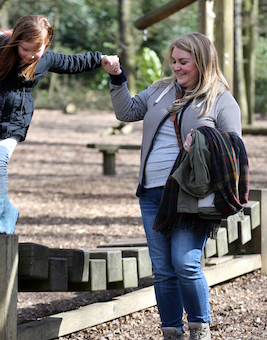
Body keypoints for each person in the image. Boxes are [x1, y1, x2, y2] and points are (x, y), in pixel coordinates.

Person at [102, 32, 245, 340]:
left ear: (203, 62)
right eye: (174, 61)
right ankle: (171, 332)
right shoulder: (160, 91)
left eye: (184, 62)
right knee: (164, 270)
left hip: (190, 197)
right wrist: (117, 78)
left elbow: (235, 150)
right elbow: (127, 112)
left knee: (185, 264)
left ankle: (199, 328)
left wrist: (208, 139)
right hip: (152, 193)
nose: (177, 68)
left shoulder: (220, 99)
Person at [0, 15, 116, 234]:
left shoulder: (46, 58)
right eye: (25, 49)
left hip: (14, 119)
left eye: (36, 50)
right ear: (16, 40)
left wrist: (100, 58)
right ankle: (7, 209)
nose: (30, 55)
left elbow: (73, 62)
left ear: (45, 45)